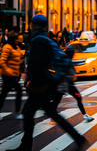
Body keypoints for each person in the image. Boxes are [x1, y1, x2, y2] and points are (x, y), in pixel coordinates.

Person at [7, 15, 87, 151]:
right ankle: (78, 138)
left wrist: (35, 83)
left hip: (43, 84)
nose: (30, 26)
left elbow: (38, 64)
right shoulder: (45, 40)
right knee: (49, 112)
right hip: (49, 82)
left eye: (32, 24)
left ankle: (25, 146)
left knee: (29, 112)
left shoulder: (38, 40)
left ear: (35, 25)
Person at [50, 47, 94, 123]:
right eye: (74, 53)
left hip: (63, 84)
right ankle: (85, 115)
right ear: (71, 53)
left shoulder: (64, 59)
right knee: (78, 97)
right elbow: (65, 72)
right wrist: (71, 77)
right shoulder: (67, 60)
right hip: (67, 84)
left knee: (57, 100)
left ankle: (53, 116)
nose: (75, 54)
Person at [0, 32, 23, 120]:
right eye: (16, 38)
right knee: (19, 90)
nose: (18, 40)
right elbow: (2, 61)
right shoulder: (7, 47)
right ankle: (17, 113)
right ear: (12, 39)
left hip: (13, 75)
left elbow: (17, 59)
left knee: (3, 94)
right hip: (8, 76)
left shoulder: (16, 47)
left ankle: (17, 112)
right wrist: (9, 72)